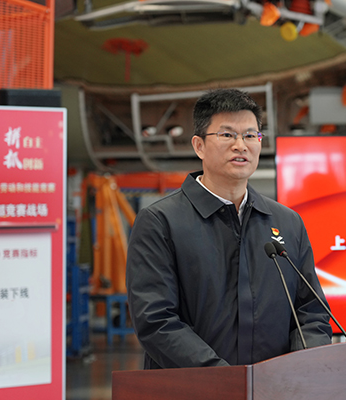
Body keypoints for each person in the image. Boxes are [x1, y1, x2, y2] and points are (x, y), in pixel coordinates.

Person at [126, 88, 333, 369]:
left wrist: (298, 369)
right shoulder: (161, 222)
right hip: (194, 387)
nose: (240, 145)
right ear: (199, 146)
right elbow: (156, 321)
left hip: (276, 386)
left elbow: (312, 311)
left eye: (250, 135)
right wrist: (223, 379)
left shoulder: (287, 222)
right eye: (227, 135)